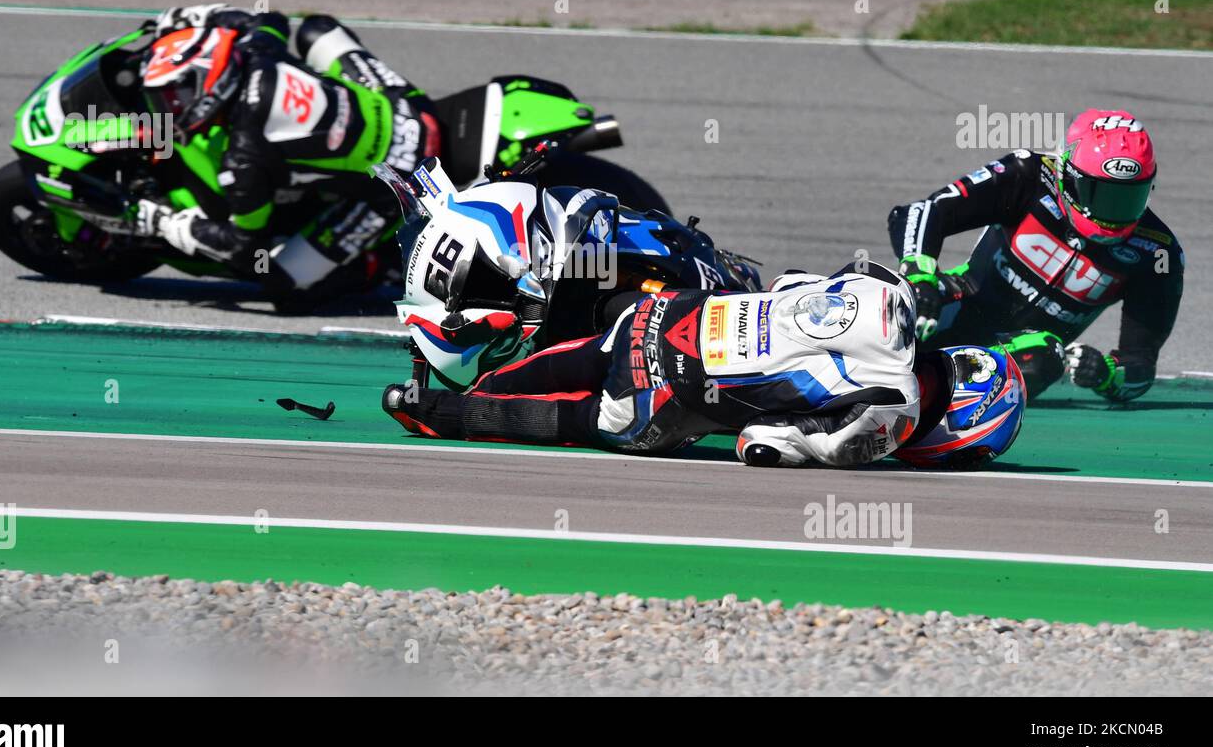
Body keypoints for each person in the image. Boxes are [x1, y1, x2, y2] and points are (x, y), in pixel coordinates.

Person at [382, 261, 1026, 468]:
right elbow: (763, 445)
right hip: (668, 398)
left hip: (669, 315)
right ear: (964, 423)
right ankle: (435, 412)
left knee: (570, 359)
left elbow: (792, 282)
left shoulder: (888, 289)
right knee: (573, 420)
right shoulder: (894, 413)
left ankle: (456, 364)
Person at [130, 4, 440, 304]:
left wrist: (166, 224)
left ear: (211, 82)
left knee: (285, 281)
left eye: (177, 96)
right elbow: (269, 18)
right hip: (403, 106)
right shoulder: (256, 51)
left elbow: (244, 244)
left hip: (401, 180)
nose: (170, 107)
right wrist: (193, 15)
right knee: (317, 28)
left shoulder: (244, 158)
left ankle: (385, 264)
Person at [887, 109, 1183, 401]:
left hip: (1021, 354)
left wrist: (1106, 375)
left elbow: (1140, 365)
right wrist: (919, 275)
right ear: (1067, 175)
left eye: (1129, 198)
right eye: (1100, 194)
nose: (1113, 214)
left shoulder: (1157, 252)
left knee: (1046, 355)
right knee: (888, 294)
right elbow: (919, 212)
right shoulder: (1027, 174)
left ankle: (953, 401)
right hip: (958, 306)